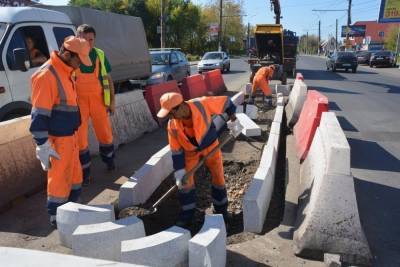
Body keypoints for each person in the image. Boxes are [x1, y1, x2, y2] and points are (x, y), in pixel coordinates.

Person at [30, 36, 91, 226]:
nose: (80, 65)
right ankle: (57, 217)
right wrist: (42, 145)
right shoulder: (47, 75)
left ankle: (72, 211)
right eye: (78, 60)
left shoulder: (66, 71)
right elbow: (39, 114)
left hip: (70, 137)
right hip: (57, 141)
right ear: (66, 54)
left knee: (74, 176)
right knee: (58, 180)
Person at [157, 92, 242, 227]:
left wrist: (234, 120)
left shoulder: (201, 104)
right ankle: (187, 214)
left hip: (211, 147)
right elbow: (176, 150)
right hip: (191, 153)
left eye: (171, 113)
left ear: (180, 107)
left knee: (218, 177)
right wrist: (179, 172)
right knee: (185, 182)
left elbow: (227, 102)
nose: (170, 117)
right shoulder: (172, 126)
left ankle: (221, 210)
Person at [75, 24, 116, 186]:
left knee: (105, 134)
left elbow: (109, 80)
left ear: (94, 40)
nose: (87, 42)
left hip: (99, 101)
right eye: (83, 39)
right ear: (77, 38)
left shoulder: (99, 55)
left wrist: (112, 102)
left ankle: (109, 161)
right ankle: (85, 173)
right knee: (80, 139)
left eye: (90, 39)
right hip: (79, 104)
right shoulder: (71, 56)